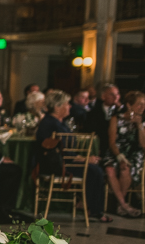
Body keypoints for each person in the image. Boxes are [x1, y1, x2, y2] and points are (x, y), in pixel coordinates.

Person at [36, 90, 111, 223]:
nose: (70, 106)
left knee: (95, 169)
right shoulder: (51, 124)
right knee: (94, 171)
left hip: (64, 162)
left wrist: (85, 159)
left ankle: (88, 205)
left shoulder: (58, 122)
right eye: (67, 104)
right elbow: (62, 152)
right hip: (56, 165)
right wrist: (86, 159)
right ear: (58, 107)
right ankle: (94, 210)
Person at [104, 91, 145, 217]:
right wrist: (119, 156)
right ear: (129, 105)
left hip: (134, 153)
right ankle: (124, 205)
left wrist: (139, 125)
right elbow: (112, 142)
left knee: (125, 169)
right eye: (139, 104)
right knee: (109, 169)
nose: (142, 108)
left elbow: (143, 145)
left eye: (144, 105)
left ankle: (121, 205)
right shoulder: (116, 118)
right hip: (116, 152)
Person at [85, 83, 121, 158]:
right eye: (112, 94)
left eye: (117, 94)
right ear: (103, 96)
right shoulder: (93, 113)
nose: (115, 97)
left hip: (119, 148)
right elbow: (90, 131)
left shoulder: (122, 112)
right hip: (100, 148)